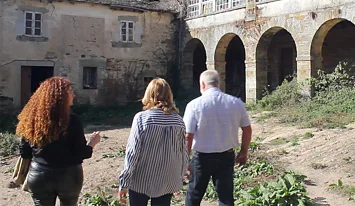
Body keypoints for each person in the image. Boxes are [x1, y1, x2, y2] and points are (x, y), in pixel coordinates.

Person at [16, 77, 101, 206]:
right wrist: (92, 143)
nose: (73, 95)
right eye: (69, 92)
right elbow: (82, 153)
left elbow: (24, 152)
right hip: (69, 176)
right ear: (61, 98)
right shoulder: (72, 121)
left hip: (39, 175)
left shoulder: (31, 121)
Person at [184, 70, 252, 206]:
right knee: (225, 197)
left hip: (201, 158)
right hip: (226, 155)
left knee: (194, 195)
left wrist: (185, 160)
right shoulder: (235, 103)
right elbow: (247, 129)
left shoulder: (194, 105)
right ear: (218, 84)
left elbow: (188, 135)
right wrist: (244, 151)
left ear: (202, 84)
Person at [118, 78, 188, 206]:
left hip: (142, 178)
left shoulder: (142, 118)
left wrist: (124, 182)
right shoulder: (178, 121)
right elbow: (182, 153)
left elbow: (133, 152)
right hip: (167, 179)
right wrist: (179, 178)